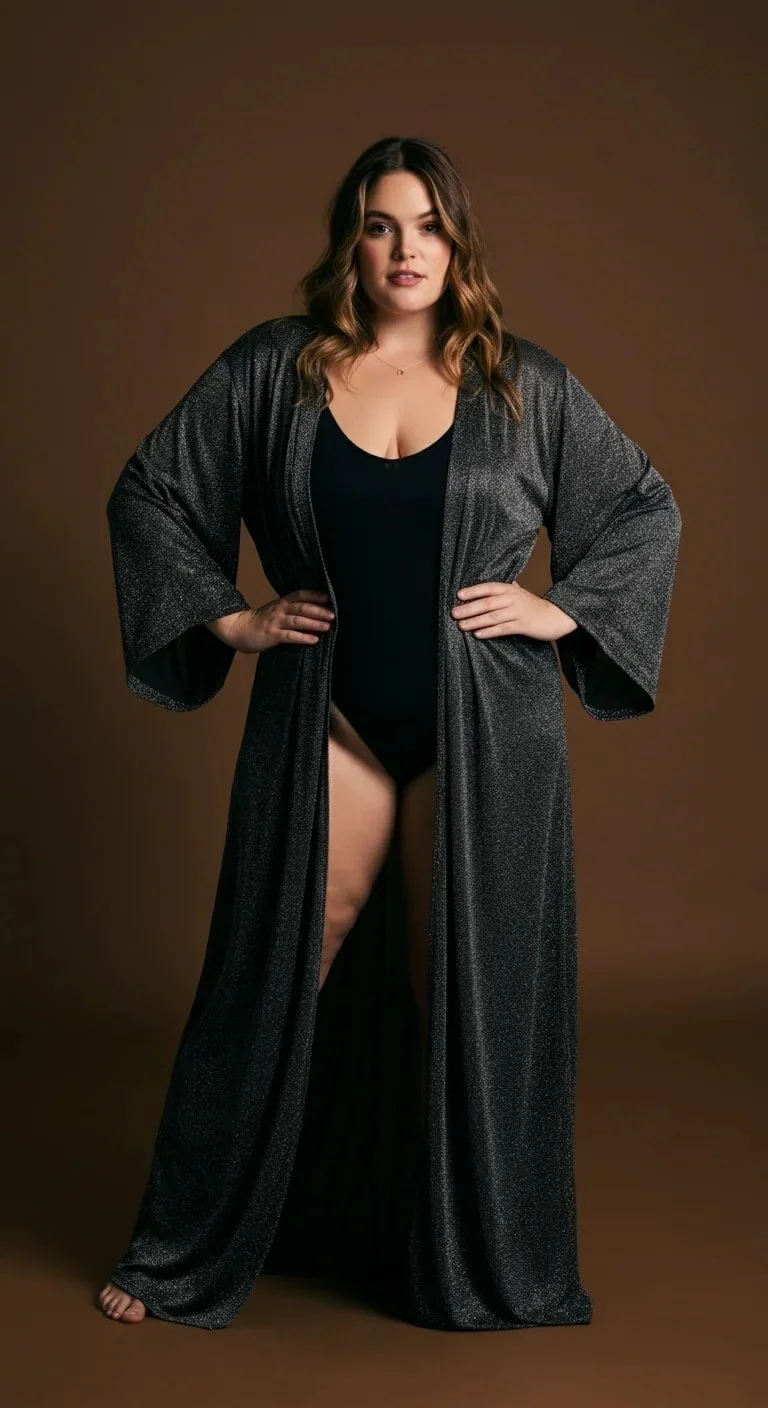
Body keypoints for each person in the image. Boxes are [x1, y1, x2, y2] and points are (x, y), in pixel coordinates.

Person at [99, 135, 682, 1329]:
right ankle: (180, 1251)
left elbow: (643, 508)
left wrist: (561, 607)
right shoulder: (275, 371)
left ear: (457, 242)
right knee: (268, 976)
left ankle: (463, 1255)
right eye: (380, 224)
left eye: (427, 225)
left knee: (459, 991)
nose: (405, 249)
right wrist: (234, 619)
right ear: (350, 242)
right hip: (336, 724)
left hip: (487, 739)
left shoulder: (523, 386)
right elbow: (151, 490)